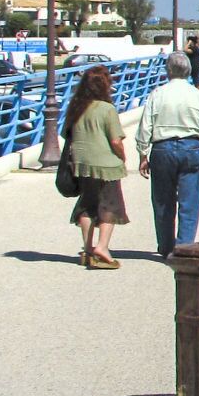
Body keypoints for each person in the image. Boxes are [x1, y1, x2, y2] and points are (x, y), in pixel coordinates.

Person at [138, 50, 199, 257]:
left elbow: (145, 127)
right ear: (188, 71)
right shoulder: (198, 96)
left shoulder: (157, 94)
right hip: (192, 147)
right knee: (190, 201)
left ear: (168, 70)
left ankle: (166, 246)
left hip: (162, 149)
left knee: (163, 201)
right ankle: (184, 247)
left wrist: (142, 155)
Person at [62, 65, 128, 269]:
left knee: (87, 204)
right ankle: (102, 247)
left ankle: (88, 248)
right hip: (105, 164)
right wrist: (122, 157)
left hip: (82, 163)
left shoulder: (76, 107)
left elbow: (67, 135)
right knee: (110, 205)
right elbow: (116, 141)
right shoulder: (107, 109)